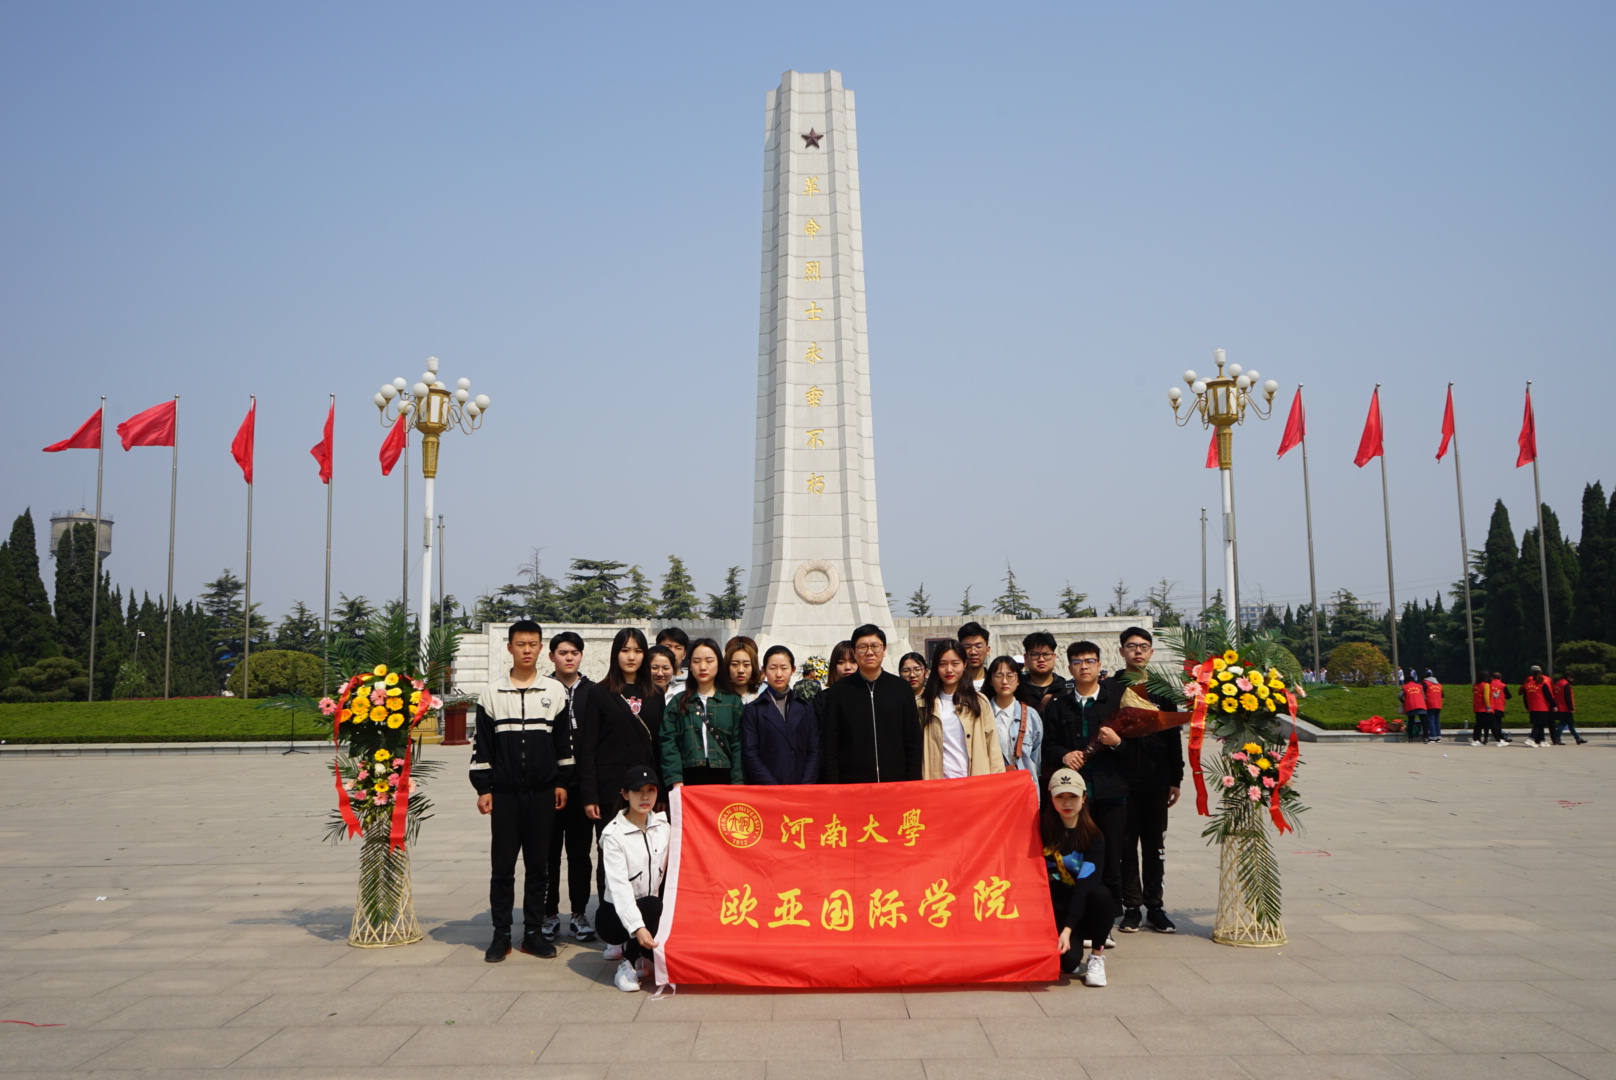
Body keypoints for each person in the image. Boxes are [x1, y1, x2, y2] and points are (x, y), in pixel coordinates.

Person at [470, 620, 570, 962]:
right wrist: (484, 787)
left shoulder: (554, 692)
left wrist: (561, 782)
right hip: (505, 794)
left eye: (533, 644)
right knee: (502, 868)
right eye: (521, 644)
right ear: (509, 647)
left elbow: (563, 743)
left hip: (542, 793)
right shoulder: (492, 693)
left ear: (541, 648)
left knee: (539, 867)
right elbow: (482, 746)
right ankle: (501, 934)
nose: (527, 650)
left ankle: (533, 933)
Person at [1041, 640, 1124, 939]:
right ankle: (1072, 921)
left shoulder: (1117, 703)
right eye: (1077, 662)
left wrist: (1117, 743)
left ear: (1100, 665)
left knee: (1110, 859)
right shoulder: (1059, 705)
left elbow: (1137, 749)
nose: (1084, 666)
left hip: (1109, 792)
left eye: (1090, 661)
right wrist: (1064, 755)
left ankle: (1105, 925)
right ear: (1069, 667)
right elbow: (1047, 745)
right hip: (1073, 799)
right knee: (1074, 858)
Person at [1111, 627, 1181, 935]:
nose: (1137, 651)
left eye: (1143, 646)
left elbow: (1173, 737)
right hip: (1122, 779)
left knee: (1154, 846)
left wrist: (1175, 778)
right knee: (1126, 846)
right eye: (1131, 646)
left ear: (1151, 652)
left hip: (1155, 780)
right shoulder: (1111, 688)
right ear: (1121, 651)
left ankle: (1155, 907)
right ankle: (1131, 907)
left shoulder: (1163, 690)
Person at [540, 631, 595, 944]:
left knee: (580, 853)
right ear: (551, 657)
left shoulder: (593, 692)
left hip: (581, 786)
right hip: (549, 785)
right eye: (563, 652)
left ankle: (578, 913)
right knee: (548, 853)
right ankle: (548, 914)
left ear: (581, 656)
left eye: (574, 652)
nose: (569, 657)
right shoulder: (542, 689)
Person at [596, 765, 670, 993]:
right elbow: (619, 888)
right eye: (638, 791)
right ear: (625, 794)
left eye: (651, 790)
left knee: (656, 905)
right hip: (615, 917)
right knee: (652, 904)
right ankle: (626, 964)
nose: (645, 797)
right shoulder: (613, 835)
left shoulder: (663, 827)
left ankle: (643, 955)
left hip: (650, 911)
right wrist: (638, 927)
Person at [819, 624, 924, 783]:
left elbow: (912, 741)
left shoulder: (901, 689)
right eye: (862, 647)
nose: (869, 652)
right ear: (854, 652)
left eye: (875, 646)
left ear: (884, 649)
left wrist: (913, 782)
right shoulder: (839, 692)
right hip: (853, 783)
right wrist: (834, 785)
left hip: (895, 782)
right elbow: (831, 745)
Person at [1043, 769, 1117, 986]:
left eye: (1073, 796)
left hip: (1085, 908)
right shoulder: (1041, 830)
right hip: (1056, 909)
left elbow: (1085, 887)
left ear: (1084, 798)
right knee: (1068, 964)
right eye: (1060, 796)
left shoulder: (1094, 837)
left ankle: (1096, 955)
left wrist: (1067, 930)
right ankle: (1071, 946)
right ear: (1051, 799)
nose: (1067, 803)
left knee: (1102, 896)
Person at [660, 638, 746, 787]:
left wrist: (738, 782)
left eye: (709, 661)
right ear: (690, 665)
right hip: (688, 778)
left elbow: (738, 745)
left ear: (719, 663)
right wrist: (675, 780)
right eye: (696, 661)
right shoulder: (678, 702)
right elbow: (668, 743)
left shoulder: (733, 702)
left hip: (724, 777)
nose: (703, 667)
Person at [918, 640, 1005, 779]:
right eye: (943, 664)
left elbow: (992, 747)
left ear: (964, 664)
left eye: (955, 663)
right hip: (938, 783)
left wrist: (998, 781)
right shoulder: (923, 705)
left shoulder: (979, 702)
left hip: (973, 781)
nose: (949, 669)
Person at [741, 645, 820, 784]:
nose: (778, 674)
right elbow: (750, 754)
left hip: (801, 786)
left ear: (793, 670)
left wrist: (805, 785)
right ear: (764, 670)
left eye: (784, 668)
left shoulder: (805, 708)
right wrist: (772, 787)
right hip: (768, 787)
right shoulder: (753, 710)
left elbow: (814, 750)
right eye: (773, 668)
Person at [984, 655, 1042, 774]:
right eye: (999, 676)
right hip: (992, 781)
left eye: (1010, 676)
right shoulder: (982, 715)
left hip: (1024, 782)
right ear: (990, 681)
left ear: (1018, 680)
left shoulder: (1031, 715)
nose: (1004, 681)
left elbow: (1036, 758)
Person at [1019, 631, 1065, 709]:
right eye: (1035, 654)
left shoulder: (1064, 689)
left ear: (1054, 657)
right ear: (1025, 658)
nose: (1041, 659)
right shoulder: (1017, 688)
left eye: (1046, 654)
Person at [1522, 666, 1554, 747]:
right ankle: (1531, 739)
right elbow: (1549, 696)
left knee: (1540, 724)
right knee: (1538, 725)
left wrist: (1527, 706)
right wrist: (1554, 705)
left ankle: (1542, 740)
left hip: (1532, 707)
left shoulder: (1527, 685)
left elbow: (1525, 698)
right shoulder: (1542, 684)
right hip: (1542, 707)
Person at [724, 636, 762, 704]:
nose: (741, 670)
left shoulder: (762, 699)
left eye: (746, 664)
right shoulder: (718, 699)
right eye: (735, 664)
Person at [655, 628, 690, 698]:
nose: (673, 652)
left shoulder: (690, 684)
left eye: (678, 648)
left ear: (684, 654)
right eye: (668, 647)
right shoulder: (647, 681)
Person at [1551, 672, 1585, 745]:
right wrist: (1571, 707)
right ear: (1569, 677)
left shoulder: (1558, 683)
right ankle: (1557, 738)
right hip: (1565, 708)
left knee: (1571, 723)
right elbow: (1567, 697)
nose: (1572, 680)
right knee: (1563, 723)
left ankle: (1577, 738)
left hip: (1559, 706)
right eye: (1572, 678)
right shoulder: (1566, 684)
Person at [957, 621, 991, 692]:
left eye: (978, 646)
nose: (973, 652)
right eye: (967, 647)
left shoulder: (994, 684)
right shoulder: (953, 685)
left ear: (987, 650)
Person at [1399, 673, 1428, 743]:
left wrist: (1403, 701)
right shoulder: (1419, 686)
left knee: (1411, 722)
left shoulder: (1405, 687)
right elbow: (1424, 697)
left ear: (1406, 681)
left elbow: (1399, 696)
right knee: (1424, 722)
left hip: (1410, 706)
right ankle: (1426, 737)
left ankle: (1410, 738)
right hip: (1421, 705)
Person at [1470, 675, 1497, 746]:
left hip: (1477, 707)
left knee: (1478, 724)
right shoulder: (1485, 685)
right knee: (1490, 723)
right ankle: (1498, 738)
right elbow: (1486, 697)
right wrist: (1488, 707)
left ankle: (1476, 739)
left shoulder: (1476, 685)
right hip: (1483, 708)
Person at [1489, 672, 1513, 745]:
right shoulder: (1503, 685)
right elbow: (1509, 696)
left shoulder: (1489, 684)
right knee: (1498, 723)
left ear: (1492, 677)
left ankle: (1500, 738)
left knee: (1493, 724)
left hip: (1490, 706)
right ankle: (1500, 738)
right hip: (1499, 706)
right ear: (1500, 678)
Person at [1421, 670, 1444, 744]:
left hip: (1430, 703)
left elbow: (1422, 693)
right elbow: (1442, 695)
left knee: (1431, 720)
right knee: (1437, 721)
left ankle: (1432, 737)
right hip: (1438, 704)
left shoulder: (1425, 683)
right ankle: (1438, 737)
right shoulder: (1439, 684)